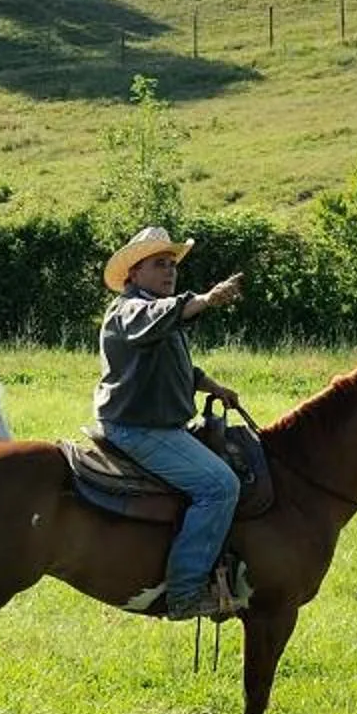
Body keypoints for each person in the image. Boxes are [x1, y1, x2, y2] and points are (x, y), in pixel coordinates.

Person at [93, 225, 250, 621]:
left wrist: (210, 384)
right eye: (159, 264)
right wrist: (208, 299)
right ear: (133, 274)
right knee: (220, 486)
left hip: (160, 426)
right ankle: (183, 594)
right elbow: (159, 315)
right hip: (138, 429)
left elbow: (172, 363)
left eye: (172, 264)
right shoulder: (128, 311)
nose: (170, 271)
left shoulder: (158, 314)